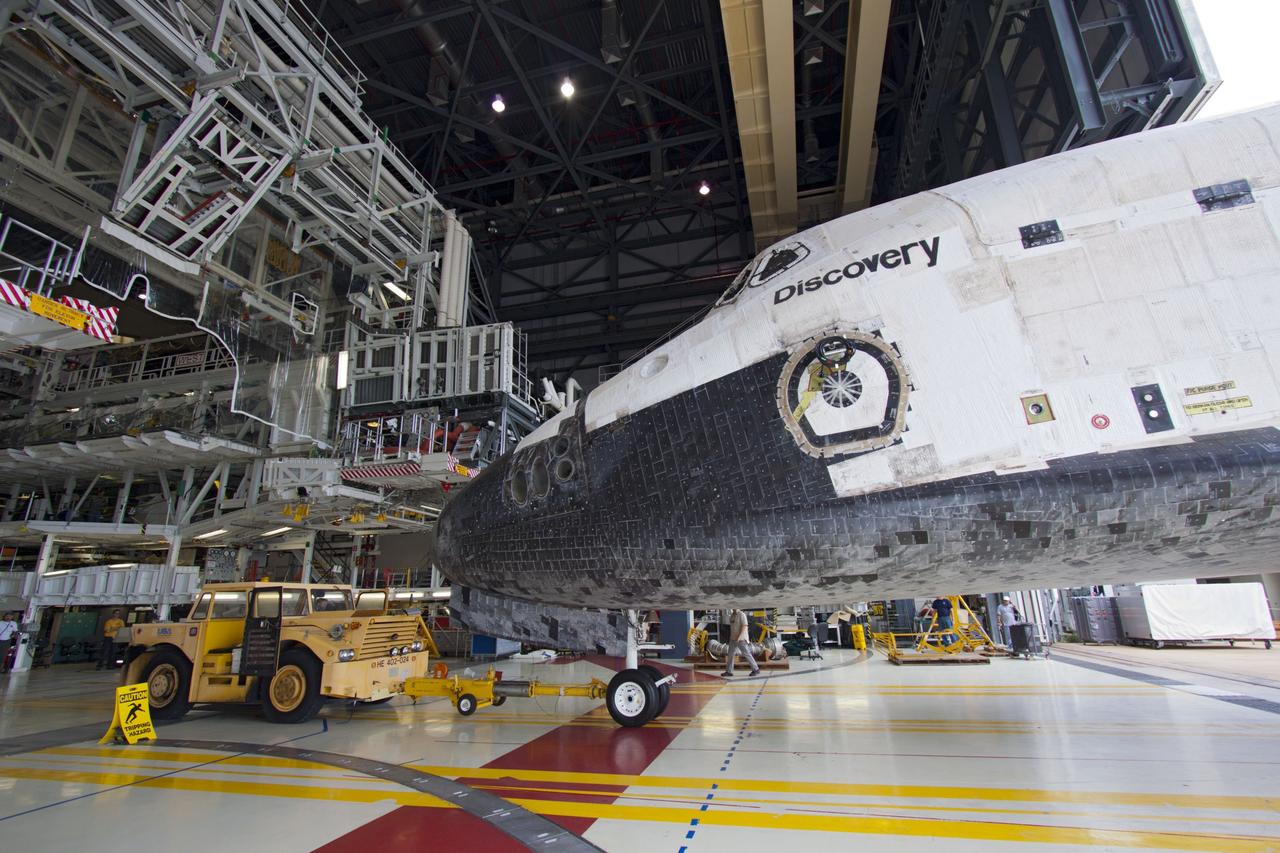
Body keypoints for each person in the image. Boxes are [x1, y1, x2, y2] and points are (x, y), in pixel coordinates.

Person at [721, 608, 760, 678]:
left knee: (746, 654)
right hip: (733, 639)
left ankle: (756, 669)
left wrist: (739, 637)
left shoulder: (742, 615)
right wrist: (732, 637)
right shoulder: (732, 616)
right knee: (730, 655)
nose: (732, 608)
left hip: (741, 639)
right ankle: (729, 671)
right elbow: (733, 628)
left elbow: (744, 626)